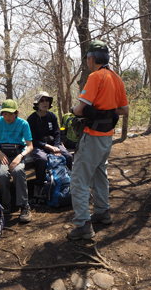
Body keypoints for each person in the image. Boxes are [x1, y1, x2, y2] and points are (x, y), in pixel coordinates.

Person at [67, 40, 129, 240]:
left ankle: (83, 224)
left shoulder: (95, 77)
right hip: (107, 137)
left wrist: (73, 111)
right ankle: (102, 211)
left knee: (79, 180)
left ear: (91, 58)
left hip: (92, 137)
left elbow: (80, 109)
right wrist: (106, 112)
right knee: (99, 172)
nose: (87, 61)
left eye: (87, 58)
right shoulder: (116, 78)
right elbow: (124, 110)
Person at [0, 99, 33, 222]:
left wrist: (21, 156)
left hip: (18, 153)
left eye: (10, 114)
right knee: (2, 174)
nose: (7, 117)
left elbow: (30, 145)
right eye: (5, 114)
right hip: (3, 153)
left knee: (18, 171)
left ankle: (24, 205)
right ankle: (6, 204)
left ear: (16, 112)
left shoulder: (23, 124)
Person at [27, 91, 73, 199]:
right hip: (38, 146)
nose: (45, 103)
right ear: (37, 104)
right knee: (42, 159)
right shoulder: (31, 119)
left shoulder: (52, 116)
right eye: (42, 100)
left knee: (68, 156)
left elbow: (57, 133)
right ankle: (39, 185)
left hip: (53, 144)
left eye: (47, 100)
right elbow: (32, 139)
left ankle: (69, 181)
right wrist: (47, 147)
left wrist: (56, 147)